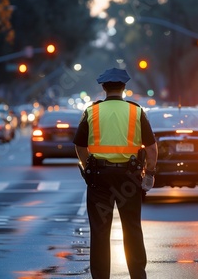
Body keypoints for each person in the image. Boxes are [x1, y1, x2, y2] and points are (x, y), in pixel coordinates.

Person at [73, 68, 158, 279]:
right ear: (124, 88)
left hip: (99, 179)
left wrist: (88, 168)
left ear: (103, 88)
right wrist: (149, 173)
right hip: (129, 178)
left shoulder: (91, 111)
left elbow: (79, 146)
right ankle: (138, 275)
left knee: (100, 232)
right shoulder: (136, 111)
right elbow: (152, 148)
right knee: (132, 229)